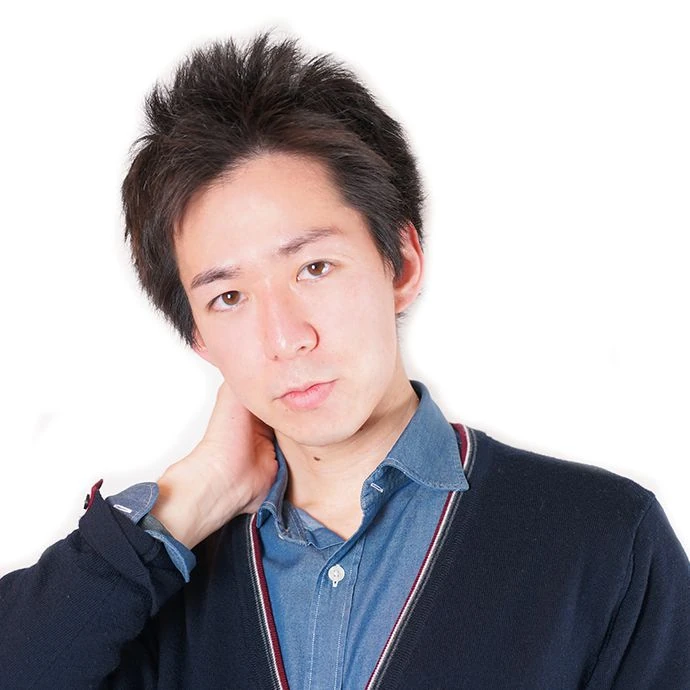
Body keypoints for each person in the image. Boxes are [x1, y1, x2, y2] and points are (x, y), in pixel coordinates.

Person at [1, 32, 688, 689]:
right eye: (229, 297)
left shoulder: (602, 541)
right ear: (197, 337)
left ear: (402, 264)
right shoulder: (142, 592)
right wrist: (187, 503)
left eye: (315, 267)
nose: (285, 336)